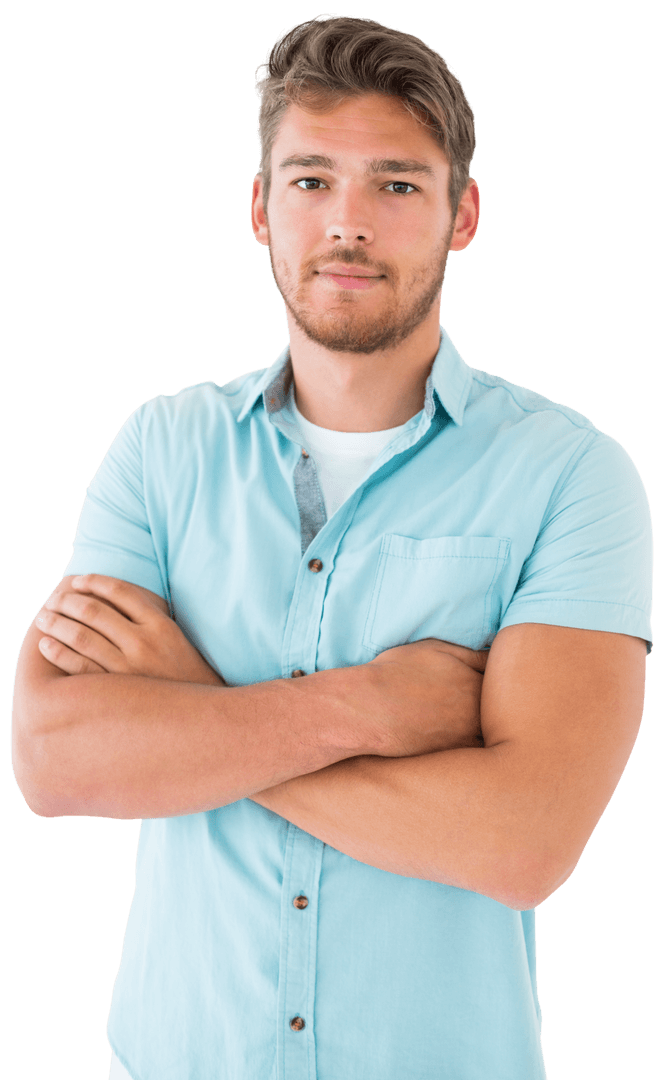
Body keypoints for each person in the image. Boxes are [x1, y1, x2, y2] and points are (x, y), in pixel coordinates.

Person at [11, 14, 652, 1080]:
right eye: (312, 181)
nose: (347, 223)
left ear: (463, 215)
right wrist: (376, 709)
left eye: (397, 185)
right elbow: (54, 760)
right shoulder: (162, 449)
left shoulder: (572, 476)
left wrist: (195, 711)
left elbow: (524, 843)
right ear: (262, 209)